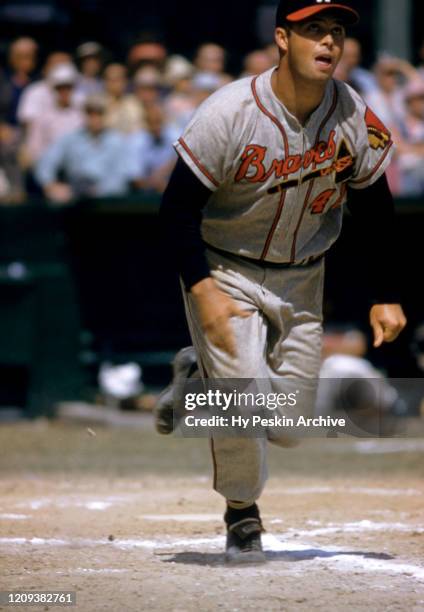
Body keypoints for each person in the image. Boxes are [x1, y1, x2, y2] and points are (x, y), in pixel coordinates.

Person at [159, 0, 407, 565]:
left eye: (336, 31)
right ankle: (243, 513)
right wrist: (202, 290)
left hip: (302, 277)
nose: (327, 41)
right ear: (282, 38)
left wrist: (387, 291)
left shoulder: (351, 114)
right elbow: (175, 212)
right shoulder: (228, 113)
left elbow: (377, 205)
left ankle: (197, 377)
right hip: (228, 268)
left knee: (291, 426)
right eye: (313, 29)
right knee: (245, 405)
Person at [36, 95, 135, 203]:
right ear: (84, 115)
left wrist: (96, 191)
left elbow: (122, 178)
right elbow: (47, 161)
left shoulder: (117, 141)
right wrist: (50, 185)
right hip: (75, 199)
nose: (95, 118)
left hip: (107, 202)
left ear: (106, 115)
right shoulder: (71, 138)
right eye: (90, 113)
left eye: (99, 113)